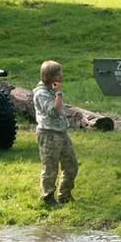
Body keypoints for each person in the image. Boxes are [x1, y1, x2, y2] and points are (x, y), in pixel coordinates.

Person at [33, 60, 79, 208]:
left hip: (61, 132)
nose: (61, 76)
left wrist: (57, 92)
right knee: (50, 168)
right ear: (49, 76)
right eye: (57, 74)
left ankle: (64, 195)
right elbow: (54, 111)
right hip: (48, 134)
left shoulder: (53, 89)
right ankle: (47, 198)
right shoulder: (41, 93)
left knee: (71, 164)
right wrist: (59, 93)